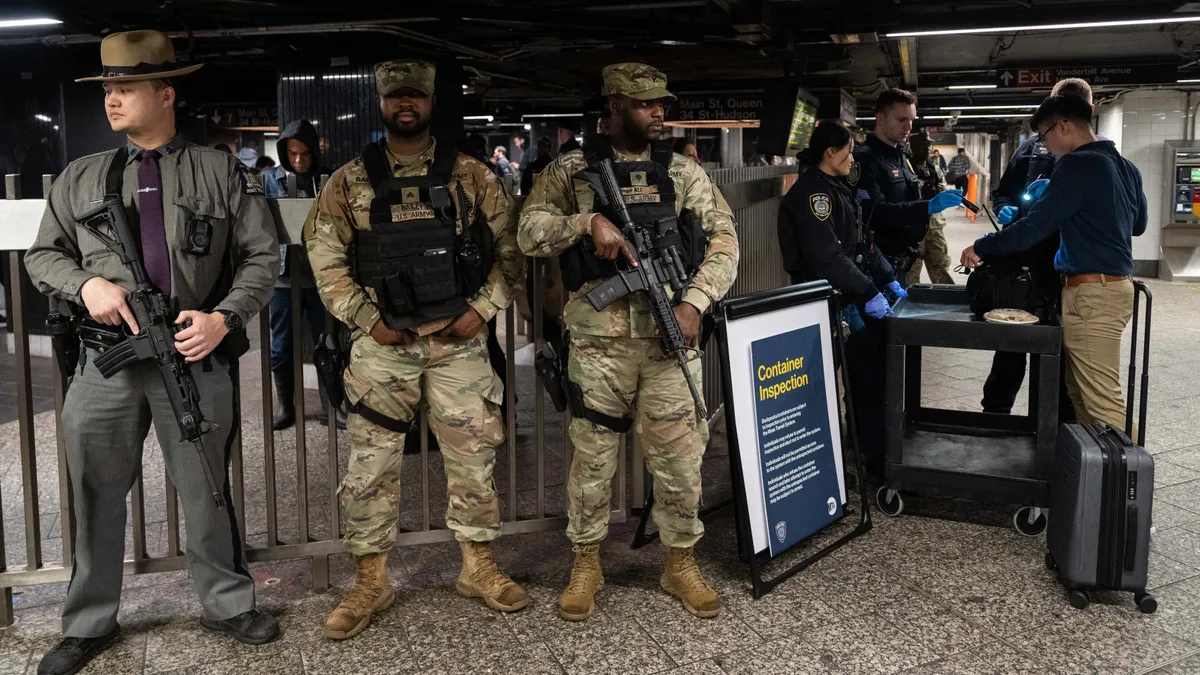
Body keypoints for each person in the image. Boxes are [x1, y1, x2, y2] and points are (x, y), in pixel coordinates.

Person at [23, 30, 281, 675]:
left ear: (165, 94)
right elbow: (43, 256)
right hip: (105, 365)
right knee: (93, 493)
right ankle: (87, 623)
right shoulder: (82, 177)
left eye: (126, 88)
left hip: (192, 355)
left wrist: (224, 318)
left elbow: (262, 255)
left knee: (206, 490)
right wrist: (88, 284)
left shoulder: (221, 171)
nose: (112, 100)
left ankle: (226, 604)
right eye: (107, 89)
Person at [304, 59, 525, 640]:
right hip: (384, 346)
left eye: (416, 96)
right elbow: (324, 258)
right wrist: (366, 319)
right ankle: (370, 581)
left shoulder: (473, 175)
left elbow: (512, 249)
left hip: (459, 341)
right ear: (381, 103)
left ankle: (477, 568)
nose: (407, 104)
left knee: (474, 458)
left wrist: (483, 308)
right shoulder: (349, 180)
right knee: (370, 466)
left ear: (431, 102)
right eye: (396, 95)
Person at [519, 62, 739, 622]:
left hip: (669, 342)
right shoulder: (572, 170)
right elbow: (527, 230)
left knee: (680, 462)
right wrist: (583, 223)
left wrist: (695, 301)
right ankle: (586, 562)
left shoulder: (683, 171)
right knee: (591, 462)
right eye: (645, 104)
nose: (659, 112)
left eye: (662, 103)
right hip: (597, 347)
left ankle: (679, 562)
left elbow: (724, 239)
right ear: (615, 107)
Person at [961, 94, 1146, 432]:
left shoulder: (1077, 164)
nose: (1045, 147)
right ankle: (1094, 477)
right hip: (1114, 287)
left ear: (1062, 126)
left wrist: (982, 246)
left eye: (1045, 137)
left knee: (1103, 402)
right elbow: (1139, 225)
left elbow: (1035, 227)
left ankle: (1126, 481)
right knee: (1082, 397)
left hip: (1092, 294)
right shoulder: (1125, 166)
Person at [778, 120, 901, 480]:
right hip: (824, 304)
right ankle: (862, 463)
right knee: (837, 384)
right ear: (830, 153)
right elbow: (827, 257)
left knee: (867, 380)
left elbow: (860, 242)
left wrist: (888, 277)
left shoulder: (835, 188)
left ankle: (870, 455)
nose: (854, 157)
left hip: (847, 299)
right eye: (848, 150)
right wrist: (868, 290)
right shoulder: (812, 195)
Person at [981, 78, 1093, 418]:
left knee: (1064, 354)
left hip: (1073, 272)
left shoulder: (1100, 157)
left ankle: (1057, 429)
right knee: (1011, 345)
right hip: (1026, 265)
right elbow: (1002, 192)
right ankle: (996, 415)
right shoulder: (1031, 148)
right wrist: (1006, 208)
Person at [270, 118, 344, 430]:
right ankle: (286, 406)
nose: (298, 160)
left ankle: (334, 405)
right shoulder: (270, 180)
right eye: (292, 154)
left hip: (321, 276)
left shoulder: (328, 180)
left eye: (305, 154)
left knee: (327, 342)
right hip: (284, 277)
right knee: (281, 345)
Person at [854, 88, 962, 286]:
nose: (908, 126)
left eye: (911, 120)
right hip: (877, 266)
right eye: (901, 120)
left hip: (902, 264)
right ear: (880, 118)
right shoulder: (865, 160)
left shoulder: (901, 157)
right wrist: (927, 206)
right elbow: (875, 214)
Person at [906, 131, 954, 285]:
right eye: (923, 145)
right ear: (912, 147)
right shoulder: (905, 168)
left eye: (928, 145)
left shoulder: (934, 168)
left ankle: (945, 302)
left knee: (940, 267)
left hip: (934, 226)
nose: (928, 148)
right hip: (912, 226)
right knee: (910, 272)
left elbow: (942, 188)